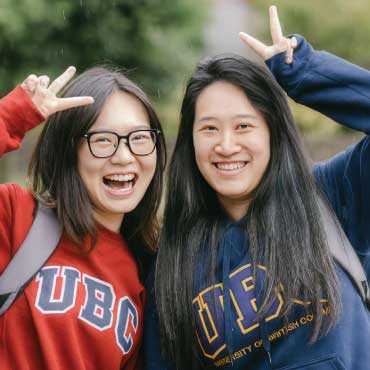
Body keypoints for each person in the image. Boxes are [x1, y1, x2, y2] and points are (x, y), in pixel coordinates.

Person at [144, 6, 370, 370]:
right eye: (209, 129)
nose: (227, 145)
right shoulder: (172, 262)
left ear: (273, 133)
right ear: (191, 142)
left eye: (244, 126)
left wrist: (304, 74)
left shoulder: (332, 197)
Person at [0, 65, 166, 369]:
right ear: (70, 151)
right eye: (102, 140)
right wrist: (13, 116)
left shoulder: (147, 272)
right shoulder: (15, 215)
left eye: (139, 138)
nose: (124, 157)